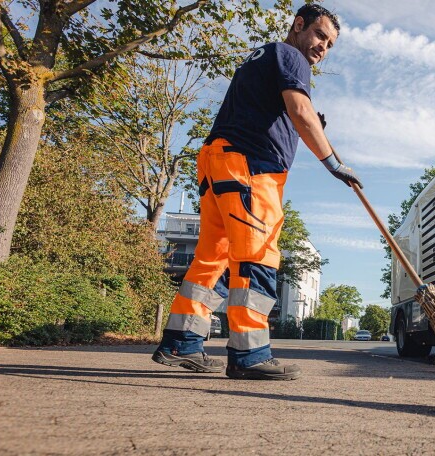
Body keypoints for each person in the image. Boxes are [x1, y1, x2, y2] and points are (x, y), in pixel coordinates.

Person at [151, 4, 358, 381]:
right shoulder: (290, 57)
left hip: (219, 162)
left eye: (329, 43)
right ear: (298, 25)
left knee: (213, 257)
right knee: (257, 257)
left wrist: (305, 120)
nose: (323, 47)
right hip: (250, 166)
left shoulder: (262, 57)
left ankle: (181, 342)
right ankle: (249, 355)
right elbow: (299, 110)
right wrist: (333, 163)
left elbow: (280, 110)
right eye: (319, 36)